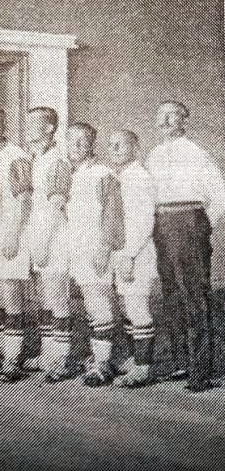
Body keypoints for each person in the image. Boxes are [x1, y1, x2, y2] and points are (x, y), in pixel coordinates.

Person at [146, 101, 225, 392]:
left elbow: (220, 195)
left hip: (189, 222)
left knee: (194, 295)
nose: (165, 120)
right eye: (161, 115)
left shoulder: (195, 152)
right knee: (170, 294)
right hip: (161, 224)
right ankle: (180, 363)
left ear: (183, 121)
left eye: (172, 115)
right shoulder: (154, 154)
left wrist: (199, 226)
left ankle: (200, 370)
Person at [65, 122, 125, 387]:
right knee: (89, 305)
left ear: (92, 144)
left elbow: (113, 215)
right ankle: (98, 356)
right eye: (72, 140)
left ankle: (103, 364)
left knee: (100, 303)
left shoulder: (103, 173)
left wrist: (104, 247)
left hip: (96, 247)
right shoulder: (72, 173)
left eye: (83, 140)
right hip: (75, 248)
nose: (77, 145)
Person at [0, 107, 33, 383]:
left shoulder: (16, 155)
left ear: (3, 127)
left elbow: (24, 199)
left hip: (10, 230)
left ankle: (13, 358)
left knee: (10, 294)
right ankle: (4, 351)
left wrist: (13, 234)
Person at [23, 107, 75, 383]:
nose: (28, 127)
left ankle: (61, 359)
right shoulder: (34, 158)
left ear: (50, 128)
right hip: (35, 235)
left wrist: (43, 243)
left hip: (54, 238)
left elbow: (57, 206)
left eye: (35, 123)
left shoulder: (58, 161)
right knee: (42, 299)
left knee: (57, 299)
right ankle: (47, 352)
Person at [107, 130, 158, 388]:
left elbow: (145, 221)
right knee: (127, 307)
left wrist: (129, 254)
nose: (114, 149)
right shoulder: (121, 177)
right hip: (122, 251)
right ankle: (133, 358)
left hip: (138, 252)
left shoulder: (140, 177)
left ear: (135, 149)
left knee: (137, 307)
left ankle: (143, 368)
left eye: (121, 145)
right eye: (111, 145)